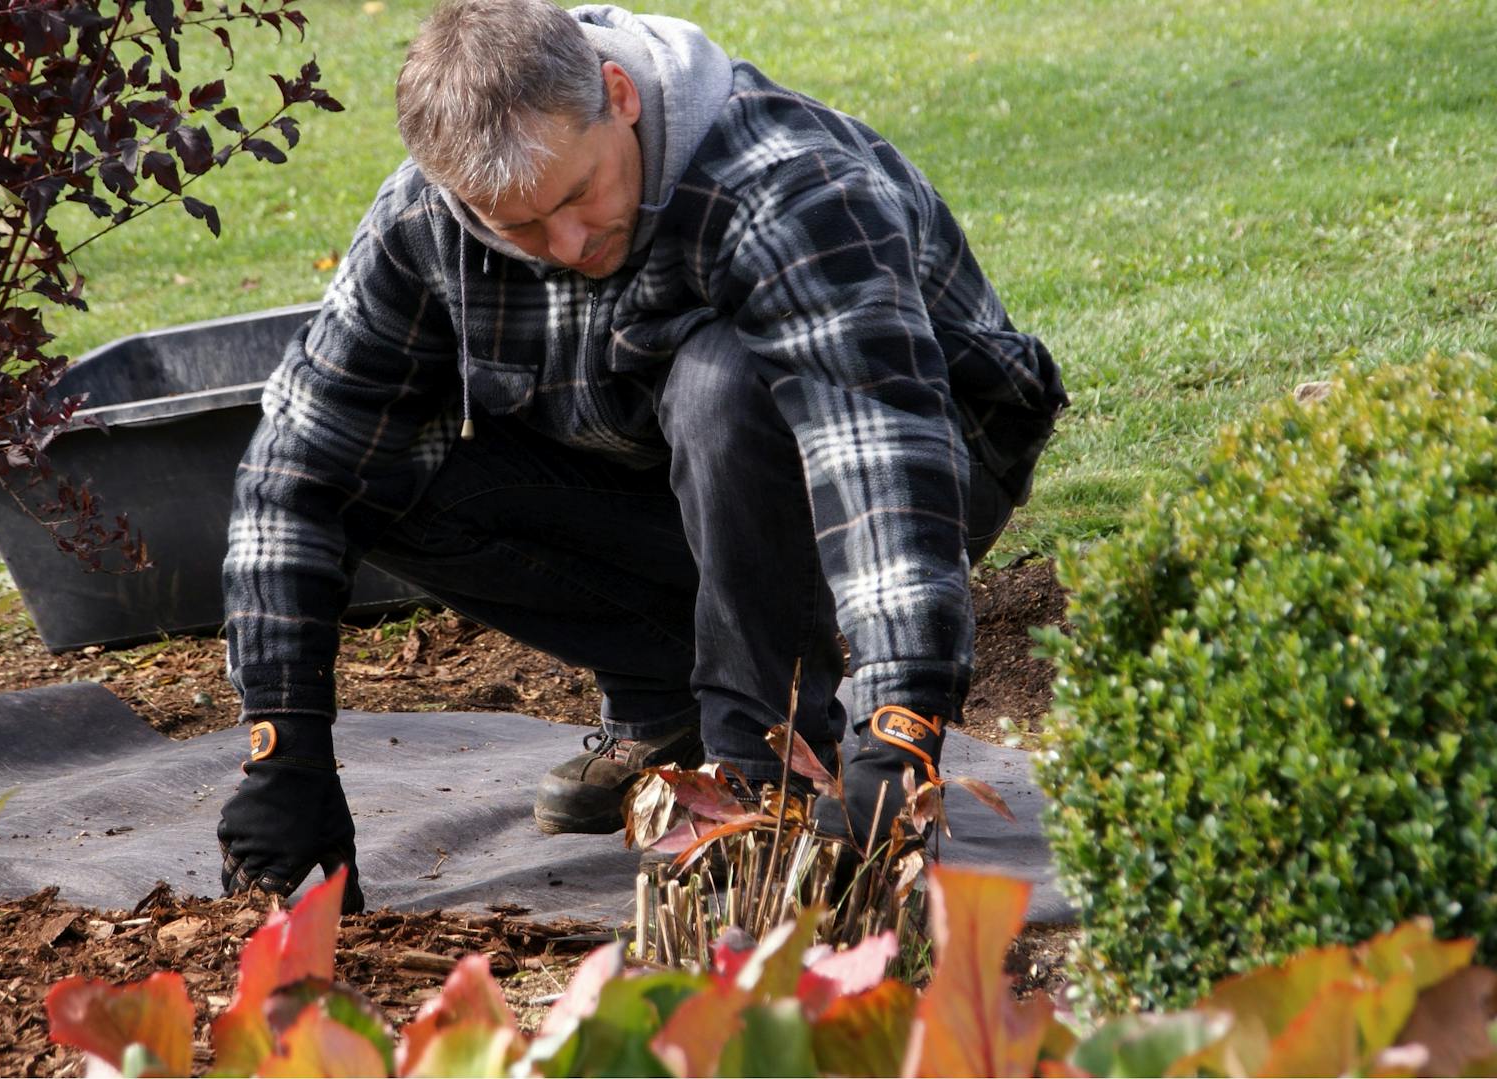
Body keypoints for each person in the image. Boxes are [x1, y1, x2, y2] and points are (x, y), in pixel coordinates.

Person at [215, 0, 1066, 912]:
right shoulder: (426, 222)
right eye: (518, 226)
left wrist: (900, 723)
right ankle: (669, 703)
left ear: (618, 96)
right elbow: (294, 471)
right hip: (671, 472)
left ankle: (758, 771)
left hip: (930, 463)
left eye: (578, 194)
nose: (567, 246)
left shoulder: (781, 182)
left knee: (720, 382)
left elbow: (877, 447)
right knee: (376, 464)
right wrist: (282, 747)